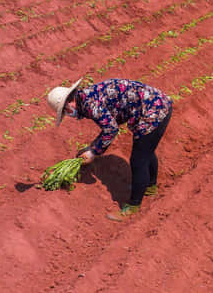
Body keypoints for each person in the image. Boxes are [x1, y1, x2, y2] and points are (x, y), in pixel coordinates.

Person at [47, 78, 173, 219]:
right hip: (157, 103)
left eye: (65, 111)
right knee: (146, 150)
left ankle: (133, 206)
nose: (68, 115)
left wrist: (94, 152)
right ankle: (149, 187)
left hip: (154, 111)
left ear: (69, 104)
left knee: (138, 160)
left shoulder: (89, 105)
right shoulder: (86, 97)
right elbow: (109, 122)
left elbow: (111, 129)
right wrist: (92, 146)